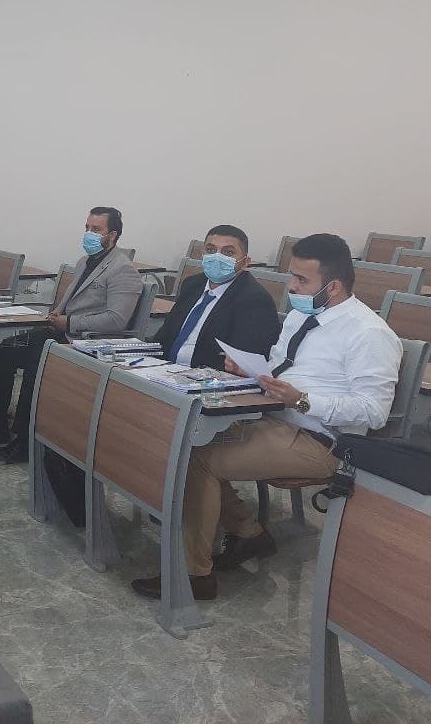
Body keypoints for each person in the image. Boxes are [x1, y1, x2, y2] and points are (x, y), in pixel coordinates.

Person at [131, 233, 402, 602]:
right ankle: (249, 534)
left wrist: (302, 400)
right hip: (274, 417)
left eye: (301, 280)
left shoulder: (369, 333)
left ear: (334, 286)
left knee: (199, 459)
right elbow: (279, 366)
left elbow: (374, 411)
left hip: (322, 442)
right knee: (182, 441)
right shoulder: (301, 315)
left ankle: (194, 576)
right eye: (292, 276)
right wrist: (248, 370)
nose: (291, 287)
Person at [0, 206, 142, 468]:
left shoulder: (122, 270)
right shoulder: (84, 262)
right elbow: (72, 300)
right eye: (87, 228)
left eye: (96, 229)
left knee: (37, 360)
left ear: (112, 235)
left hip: (85, 341)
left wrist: (69, 322)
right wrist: (58, 312)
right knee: (5, 349)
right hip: (61, 332)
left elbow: (116, 320)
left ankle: (25, 440)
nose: (89, 234)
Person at [154, 224, 280, 371]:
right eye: (210, 250)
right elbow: (164, 336)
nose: (217, 257)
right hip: (163, 370)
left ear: (245, 262)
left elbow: (244, 362)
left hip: (205, 378)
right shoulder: (192, 284)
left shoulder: (255, 301)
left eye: (228, 252)